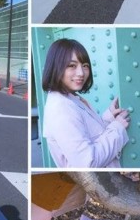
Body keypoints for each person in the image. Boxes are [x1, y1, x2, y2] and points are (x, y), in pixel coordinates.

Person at [41, 38, 130, 167]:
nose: (81, 73)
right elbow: (87, 163)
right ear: (56, 67)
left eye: (85, 66)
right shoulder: (61, 108)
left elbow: (88, 135)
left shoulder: (69, 98)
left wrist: (109, 117)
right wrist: (117, 128)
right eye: (72, 66)